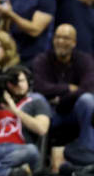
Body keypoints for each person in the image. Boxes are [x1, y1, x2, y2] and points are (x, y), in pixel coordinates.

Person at [32, 24, 94, 167]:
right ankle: (37, 164)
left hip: (74, 111)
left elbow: (88, 87)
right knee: (37, 99)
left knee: (89, 100)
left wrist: (62, 99)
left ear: (74, 42)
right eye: (58, 37)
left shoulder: (84, 59)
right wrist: (68, 88)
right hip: (50, 113)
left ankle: (88, 156)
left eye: (66, 38)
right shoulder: (42, 59)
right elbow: (39, 87)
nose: (61, 41)